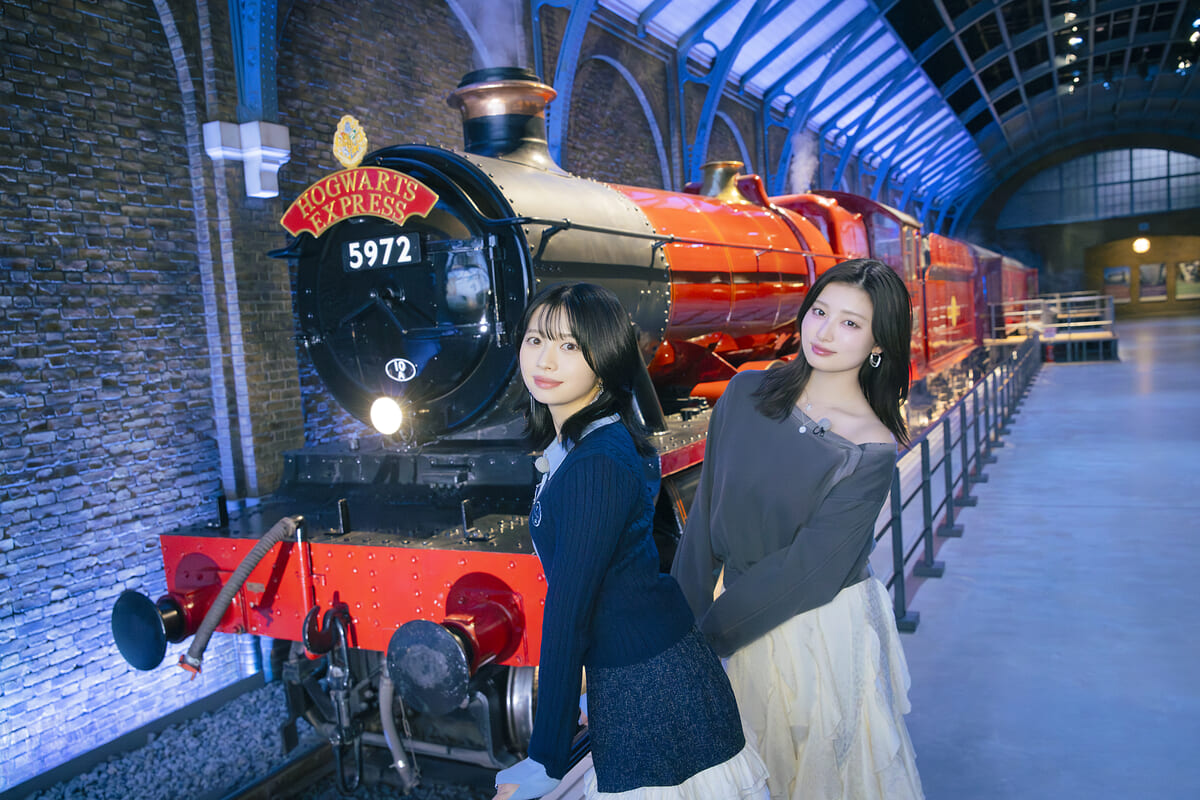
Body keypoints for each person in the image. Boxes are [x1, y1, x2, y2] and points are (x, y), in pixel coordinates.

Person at [494, 283, 768, 800]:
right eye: (535, 340)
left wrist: (546, 759)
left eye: (569, 345)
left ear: (605, 358)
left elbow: (569, 611)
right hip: (642, 669)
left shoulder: (596, 462)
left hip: (649, 686)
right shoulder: (587, 439)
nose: (545, 360)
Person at [671, 259, 925, 800]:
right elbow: (704, 525)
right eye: (820, 312)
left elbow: (807, 573)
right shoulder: (745, 392)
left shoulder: (870, 447)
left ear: (878, 344)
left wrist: (708, 638)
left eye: (851, 323)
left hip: (815, 632)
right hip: (737, 611)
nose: (825, 333)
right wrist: (675, 631)